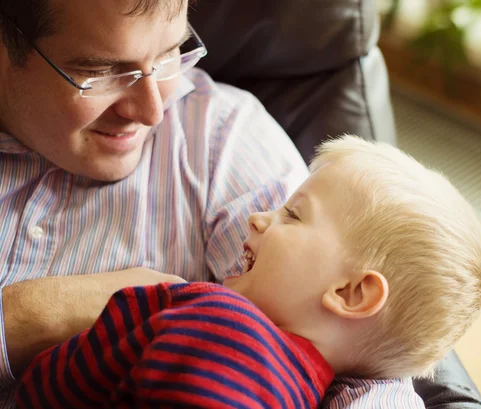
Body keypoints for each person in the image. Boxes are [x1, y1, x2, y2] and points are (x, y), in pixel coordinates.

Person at [0, 0, 432, 407]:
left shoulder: (224, 140)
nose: (153, 111)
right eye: (103, 71)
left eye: (170, 55)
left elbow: (359, 354)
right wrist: (28, 316)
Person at [15, 136, 481, 409]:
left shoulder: (222, 321)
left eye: (293, 215)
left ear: (350, 292)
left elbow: (51, 384)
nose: (258, 218)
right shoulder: (308, 394)